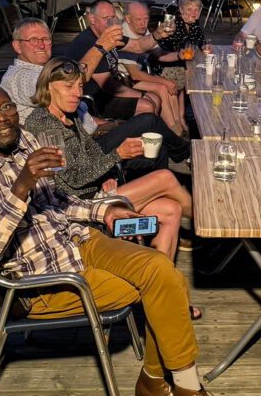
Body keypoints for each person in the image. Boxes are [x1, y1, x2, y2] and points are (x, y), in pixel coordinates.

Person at [0, 84, 245, 396]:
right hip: (42, 282)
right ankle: (173, 390)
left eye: (6, 107)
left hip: (79, 242)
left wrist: (105, 212)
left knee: (163, 273)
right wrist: (20, 188)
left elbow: (59, 201)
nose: (3, 118)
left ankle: (171, 386)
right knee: (162, 287)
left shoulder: (25, 140)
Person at [23, 57, 192, 263]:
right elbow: (72, 179)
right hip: (77, 206)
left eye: (80, 86)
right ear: (48, 87)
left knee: (172, 210)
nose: (77, 93)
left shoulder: (69, 115)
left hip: (94, 192)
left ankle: (159, 276)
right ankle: (207, 225)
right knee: (164, 177)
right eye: (69, 87)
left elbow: (92, 152)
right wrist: (118, 155)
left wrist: (107, 174)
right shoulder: (44, 125)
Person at [0, 17, 189, 173]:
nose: (41, 45)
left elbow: (137, 46)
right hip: (79, 152)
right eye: (33, 40)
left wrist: (109, 124)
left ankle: (154, 198)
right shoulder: (20, 77)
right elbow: (74, 79)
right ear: (17, 46)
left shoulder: (45, 68)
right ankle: (188, 154)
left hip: (92, 136)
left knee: (157, 150)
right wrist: (100, 47)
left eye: (46, 39)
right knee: (148, 121)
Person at [65, 0, 166, 123]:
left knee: (155, 98)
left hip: (109, 91)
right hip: (94, 100)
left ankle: (150, 131)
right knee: (147, 105)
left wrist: (156, 35)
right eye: (105, 18)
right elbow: (108, 86)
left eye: (113, 17)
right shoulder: (87, 43)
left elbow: (138, 45)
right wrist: (141, 95)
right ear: (92, 18)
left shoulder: (108, 35)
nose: (110, 22)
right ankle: (138, 132)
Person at [115, 1, 186, 135]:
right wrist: (164, 81)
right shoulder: (124, 35)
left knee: (171, 87)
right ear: (128, 19)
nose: (144, 23)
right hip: (124, 80)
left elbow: (159, 54)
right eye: (139, 19)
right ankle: (174, 131)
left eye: (146, 19)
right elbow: (135, 74)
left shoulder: (142, 30)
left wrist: (179, 55)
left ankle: (178, 126)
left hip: (138, 75)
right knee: (162, 88)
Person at [152, 0, 213, 89]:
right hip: (166, 66)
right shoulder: (174, 23)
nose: (193, 12)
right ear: (181, 10)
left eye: (196, 9)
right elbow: (176, 46)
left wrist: (204, 46)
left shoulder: (193, 23)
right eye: (189, 9)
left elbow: (200, 40)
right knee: (200, 77)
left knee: (208, 72)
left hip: (184, 64)